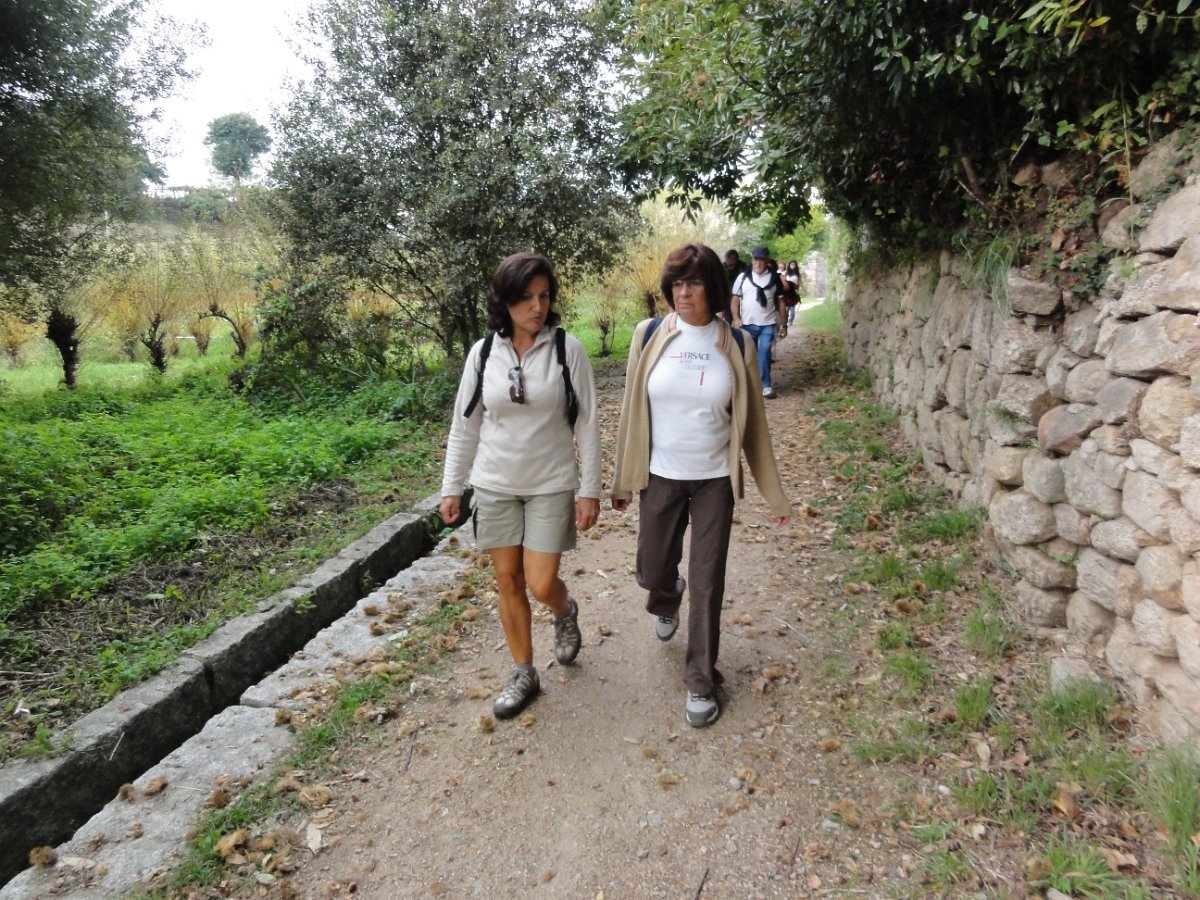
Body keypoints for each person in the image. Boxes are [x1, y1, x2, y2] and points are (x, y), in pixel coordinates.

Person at [610, 243, 791, 728]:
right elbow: (631, 409)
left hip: (714, 480)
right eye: (676, 283)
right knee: (651, 569)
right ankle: (666, 595)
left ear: (712, 287)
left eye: (693, 283)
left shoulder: (738, 343)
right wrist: (623, 479)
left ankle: (701, 680)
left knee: (708, 583)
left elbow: (754, 426)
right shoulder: (649, 334)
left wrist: (774, 493)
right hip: (660, 476)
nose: (683, 292)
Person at [439, 252, 601, 720]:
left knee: (540, 581)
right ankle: (523, 672)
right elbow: (465, 425)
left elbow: (588, 423)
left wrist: (589, 489)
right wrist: (452, 487)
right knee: (507, 580)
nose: (537, 307)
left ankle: (564, 610)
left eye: (544, 296)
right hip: (495, 484)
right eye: (527, 297)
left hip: (551, 482)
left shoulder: (567, 349)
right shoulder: (483, 353)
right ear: (505, 301)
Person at [731, 246, 787, 398]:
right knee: (748, 355)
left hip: (767, 323)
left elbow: (781, 302)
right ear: (752, 260)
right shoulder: (743, 277)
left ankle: (766, 385)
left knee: (765, 352)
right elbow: (735, 300)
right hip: (747, 324)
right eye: (756, 259)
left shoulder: (775, 278)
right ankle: (748, 385)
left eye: (762, 260)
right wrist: (736, 318)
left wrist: (784, 324)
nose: (759, 263)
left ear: (767, 261)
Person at [722, 249, 749, 324]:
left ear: (736, 259)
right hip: (727, 296)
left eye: (732, 260)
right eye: (728, 260)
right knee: (727, 319)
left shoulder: (743, 267)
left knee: (740, 319)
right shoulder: (722, 267)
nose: (729, 263)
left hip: (740, 296)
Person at [782, 259, 803, 326]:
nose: (793, 266)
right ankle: (785, 321)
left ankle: (790, 321)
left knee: (792, 308)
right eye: (791, 265)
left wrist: (800, 289)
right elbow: (783, 281)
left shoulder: (798, 274)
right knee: (786, 308)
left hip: (794, 292)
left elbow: (800, 283)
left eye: (794, 265)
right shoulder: (786, 273)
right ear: (789, 265)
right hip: (786, 292)